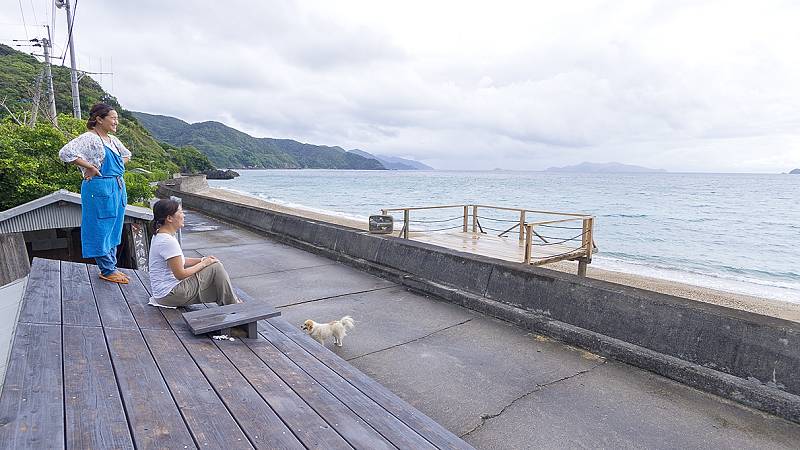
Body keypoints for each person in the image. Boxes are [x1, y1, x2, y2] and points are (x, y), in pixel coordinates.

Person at [59, 103, 131, 284]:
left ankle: (111, 267)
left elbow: (127, 154)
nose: (116, 122)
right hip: (99, 188)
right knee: (100, 227)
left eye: (116, 118)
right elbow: (65, 153)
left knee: (114, 228)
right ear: (99, 119)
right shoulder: (89, 138)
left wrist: (116, 166)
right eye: (113, 118)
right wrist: (90, 166)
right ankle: (106, 269)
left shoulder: (112, 140)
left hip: (116, 186)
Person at [148, 199, 240, 307]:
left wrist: (202, 260)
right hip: (170, 294)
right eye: (181, 212)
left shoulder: (160, 235)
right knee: (216, 267)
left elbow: (179, 261)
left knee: (216, 278)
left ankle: (231, 302)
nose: (184, 215)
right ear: (169, 218)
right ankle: (234, 305)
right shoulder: (168, 241)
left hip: (163, 294)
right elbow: (180, 274)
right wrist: (204, 264)